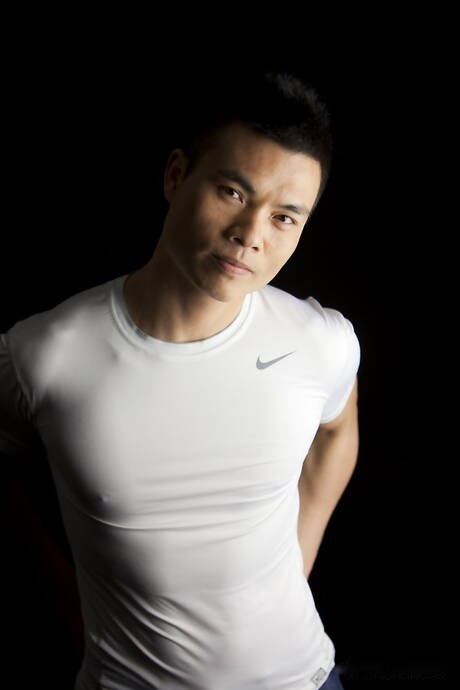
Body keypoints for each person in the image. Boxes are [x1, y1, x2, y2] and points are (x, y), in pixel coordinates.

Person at [0, 68, 360, 689]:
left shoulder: (318, 341)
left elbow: (338, 431)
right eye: (233, 192)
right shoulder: (44, 354)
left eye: (285, 218)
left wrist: (299, 557)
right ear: (175, 176)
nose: (250, 236)